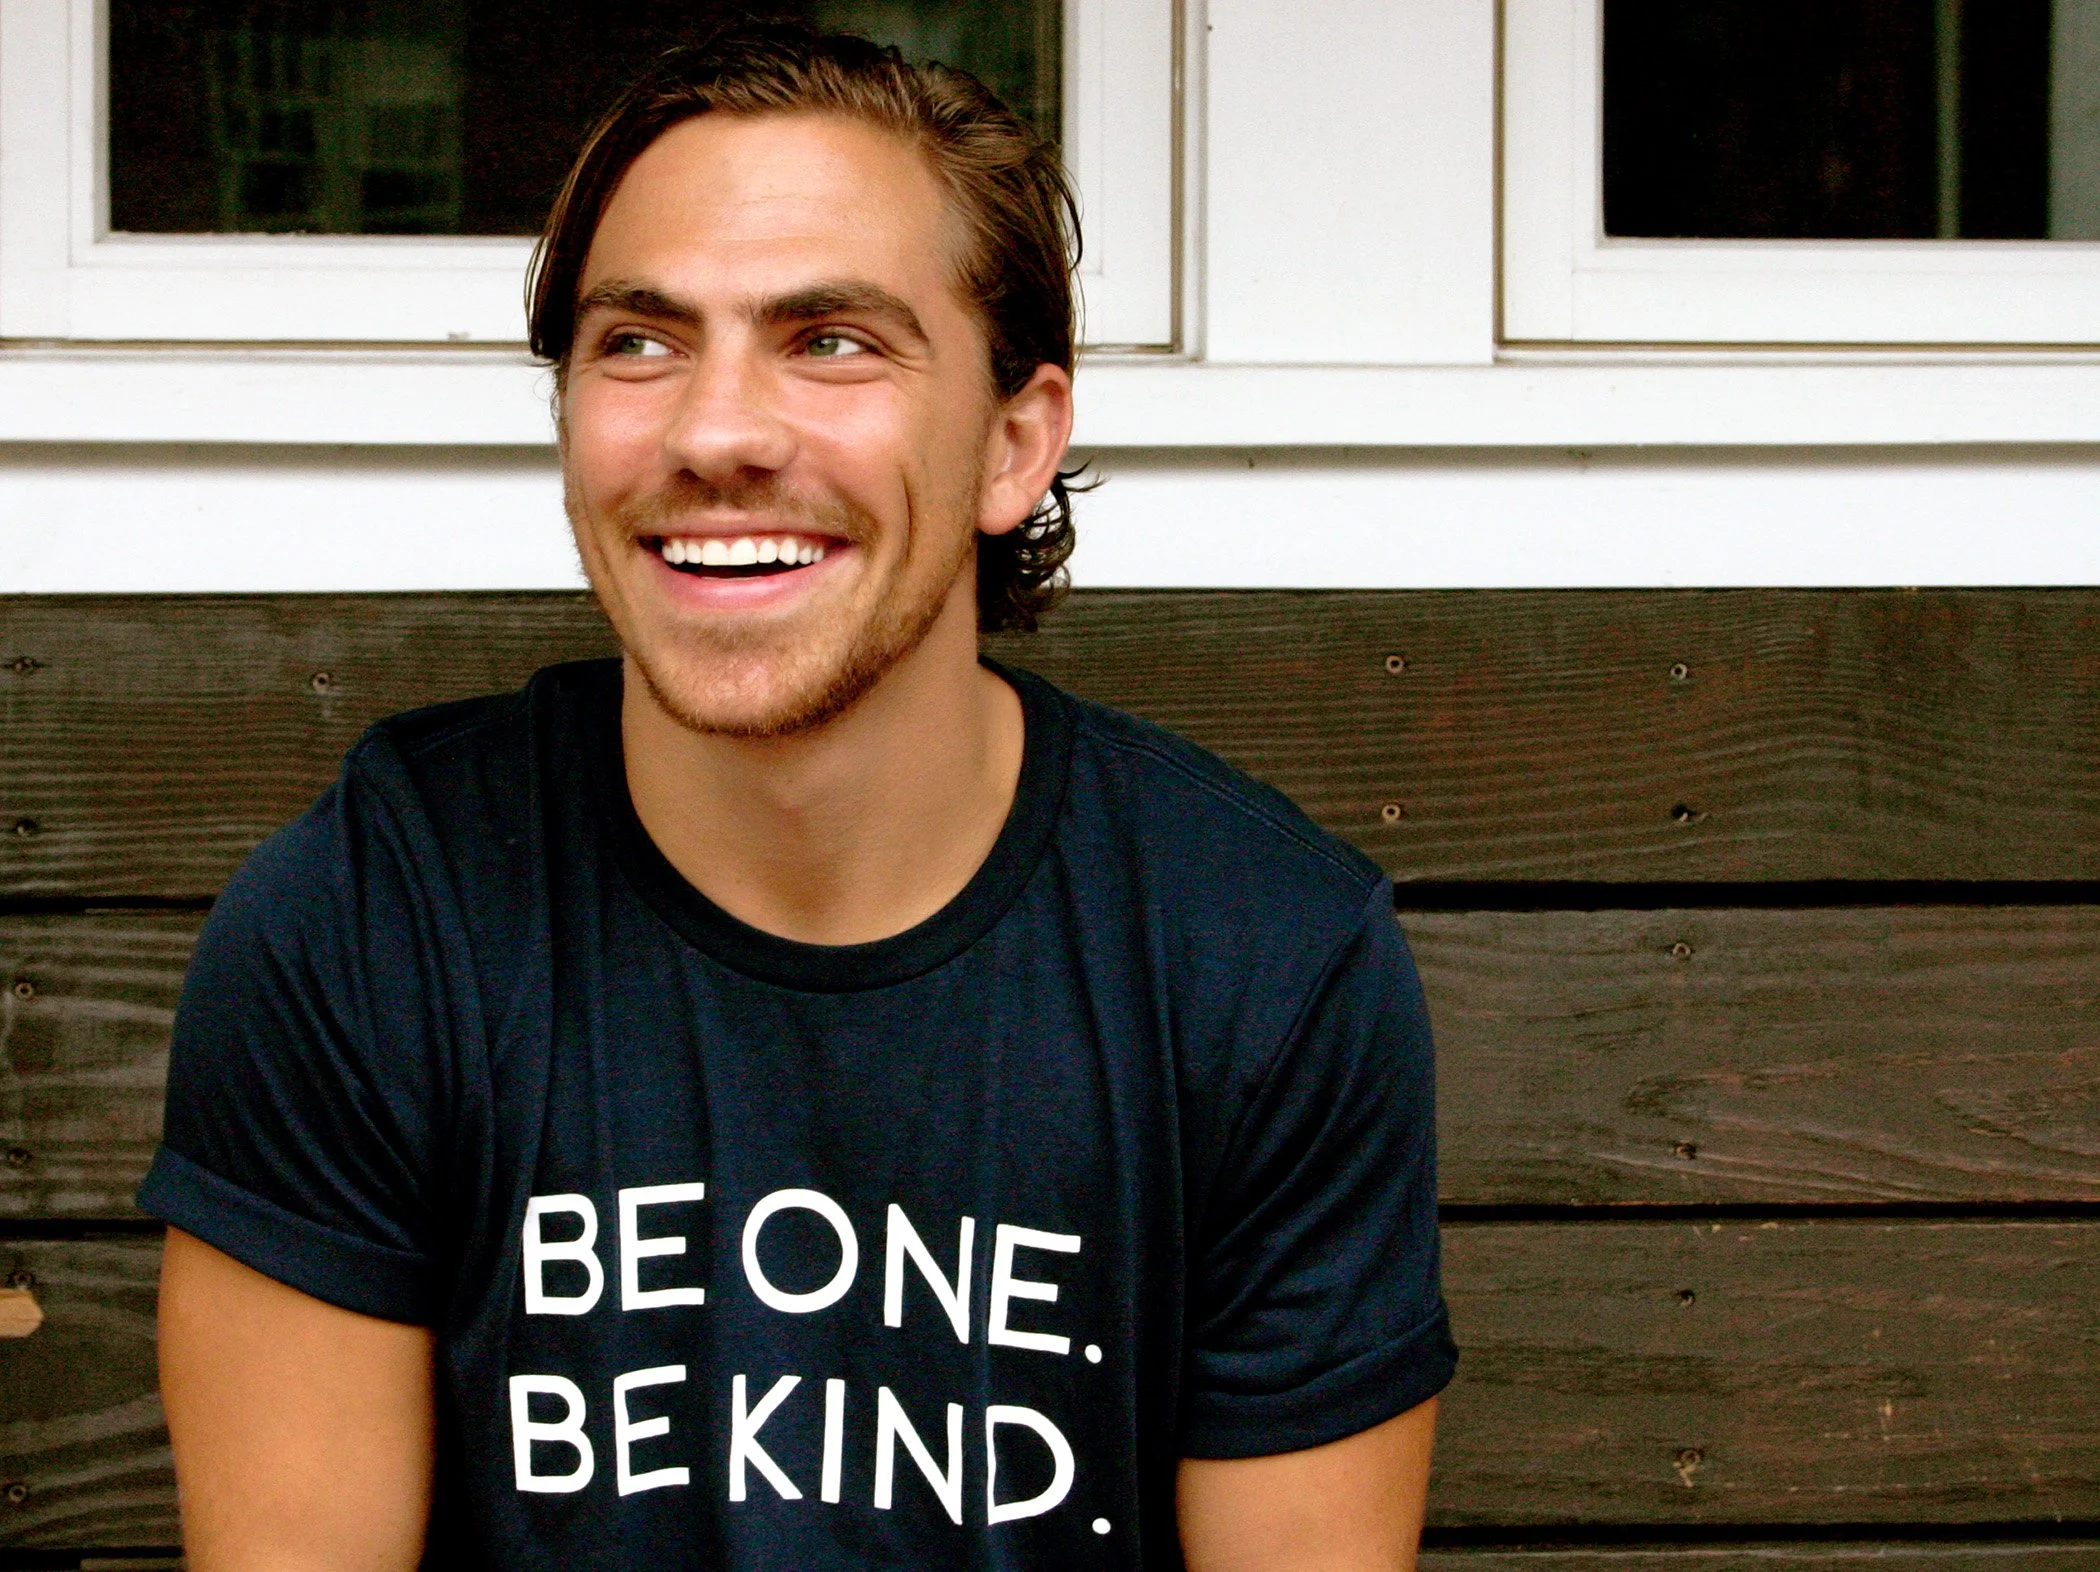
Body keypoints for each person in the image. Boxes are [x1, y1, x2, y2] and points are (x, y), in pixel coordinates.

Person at [141, 21, 1455, 1570]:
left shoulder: (1261, 960)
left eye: (831, 342)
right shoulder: (370, 925)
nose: (714, 433)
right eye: (640, 342)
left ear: (1014, 443)